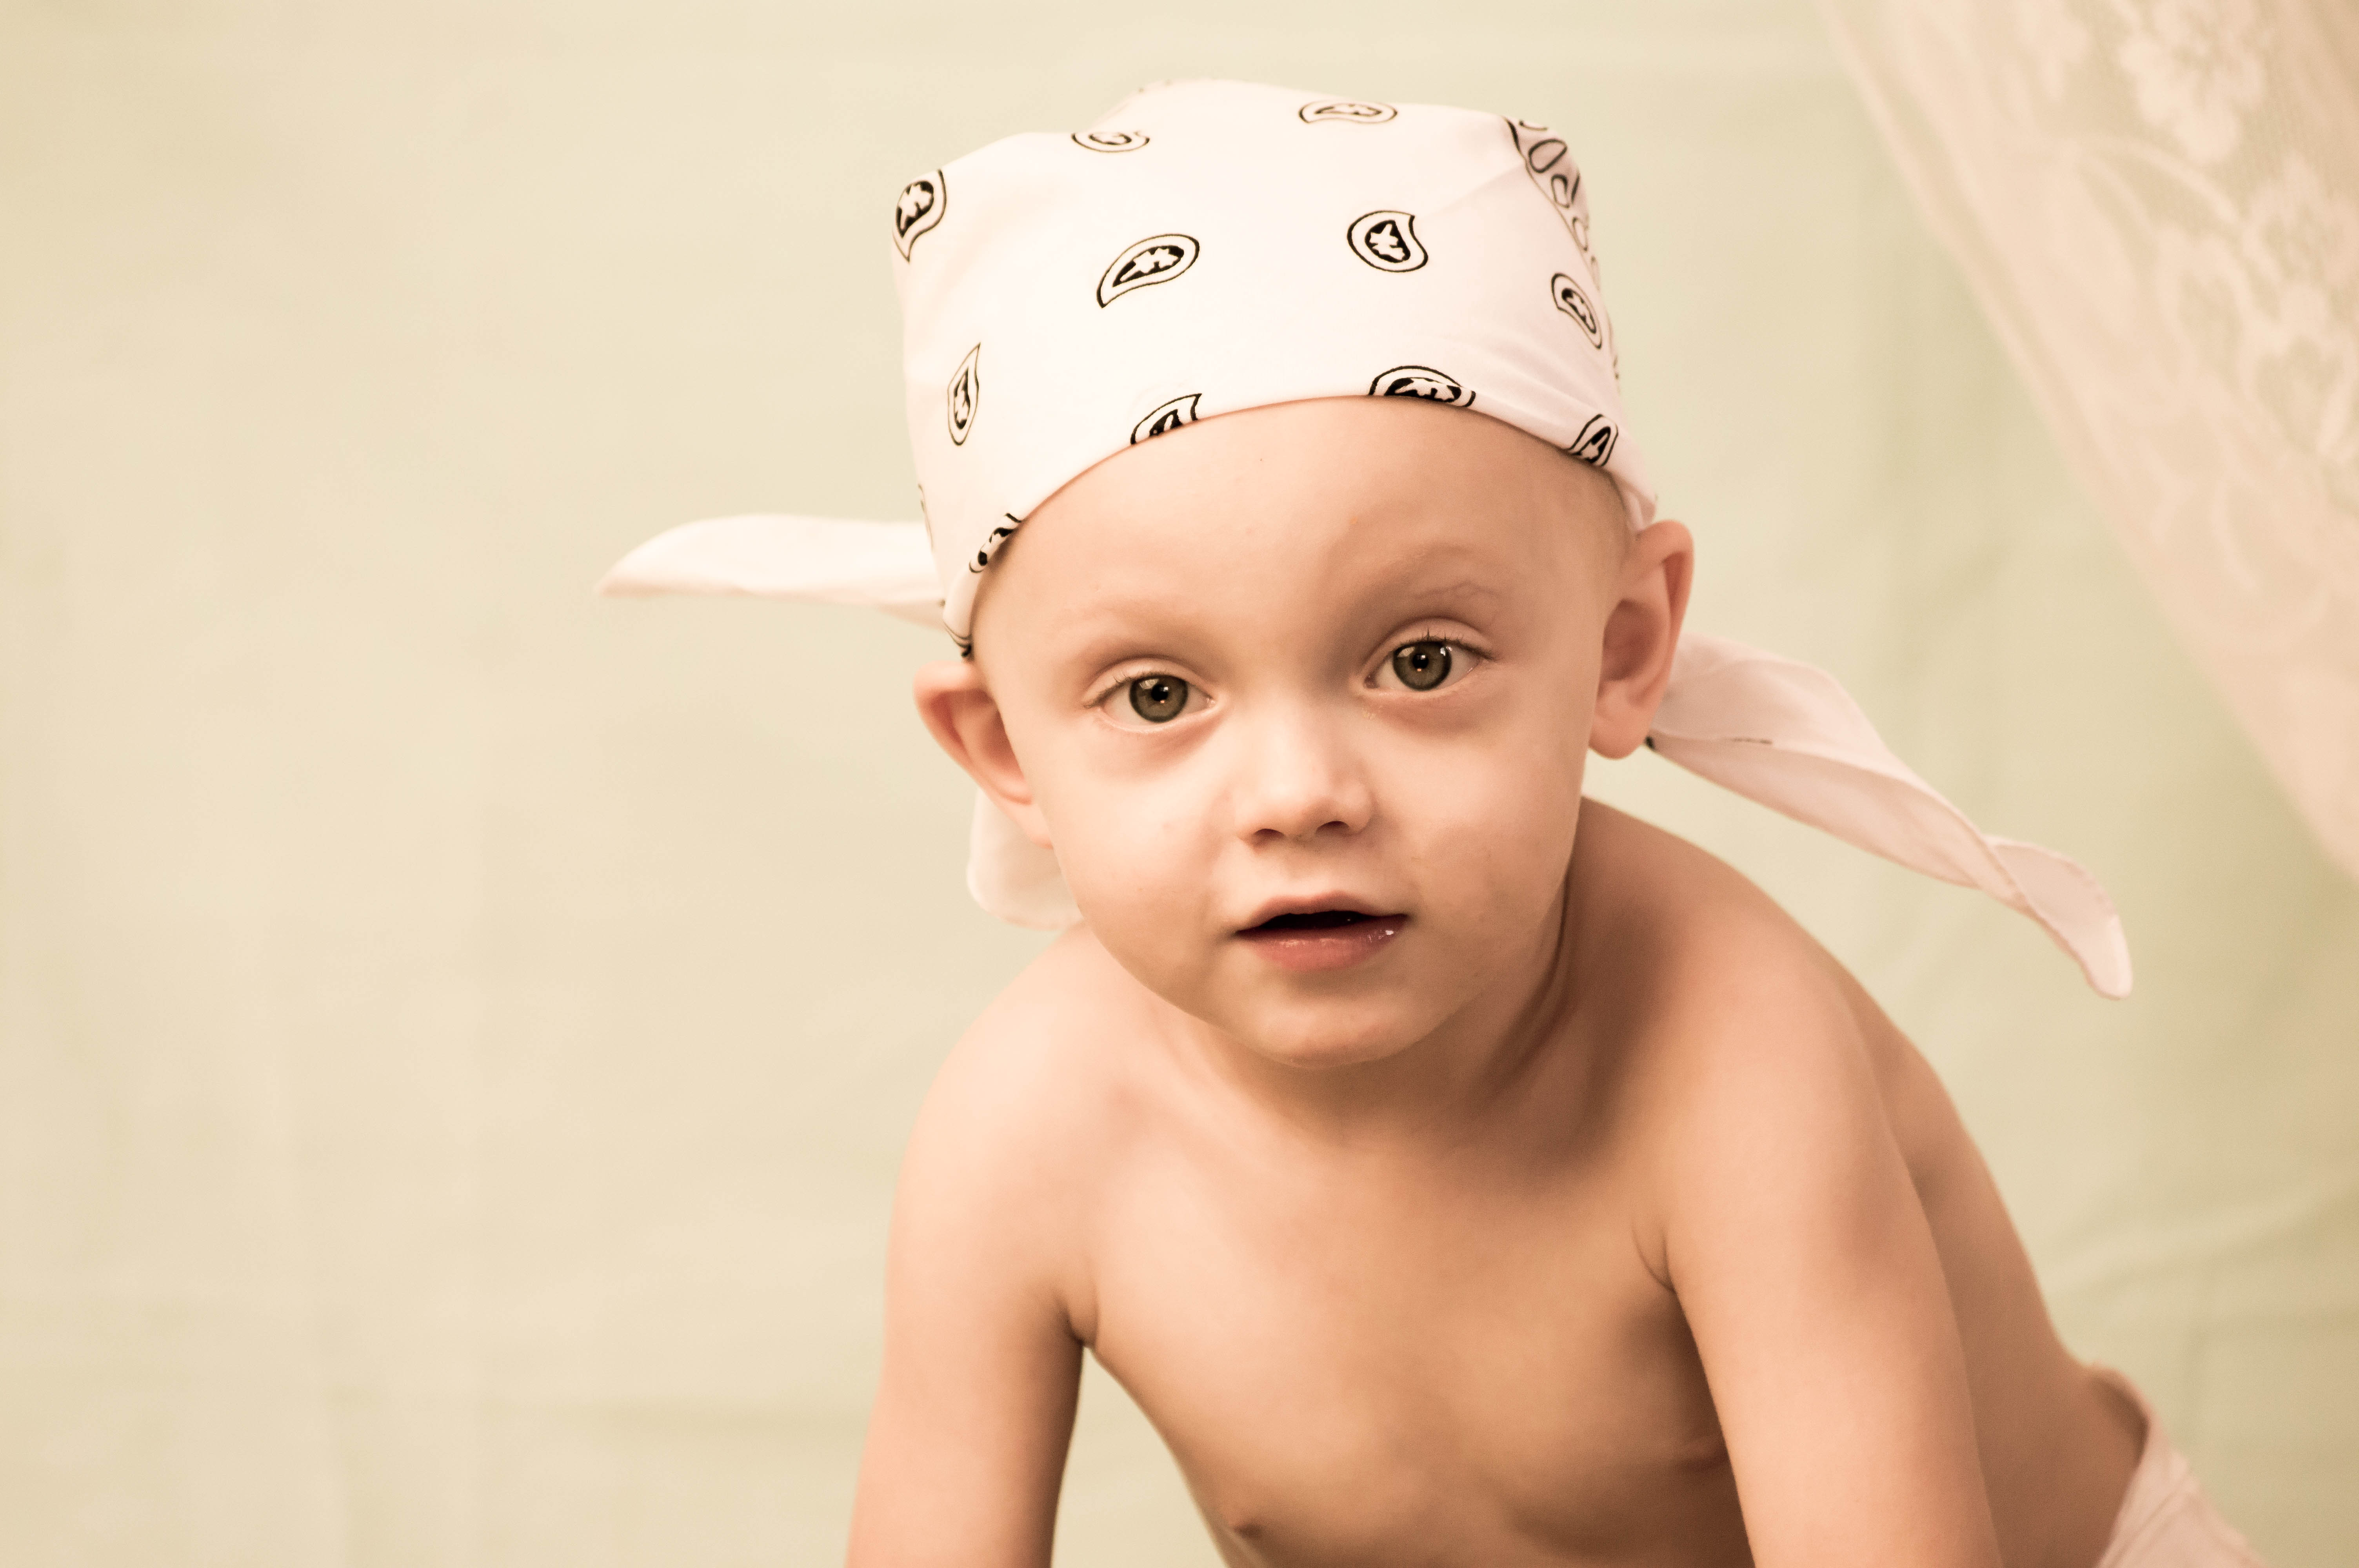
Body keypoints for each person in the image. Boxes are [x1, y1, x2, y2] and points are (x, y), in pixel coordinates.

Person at [601, 78, 2263, 1568]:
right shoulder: (1026, 1138)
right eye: (1159, 695)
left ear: (1622, 650)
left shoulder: (1726, 1059)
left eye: (1418, 662)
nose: (1299, 795)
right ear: (1002, 748)